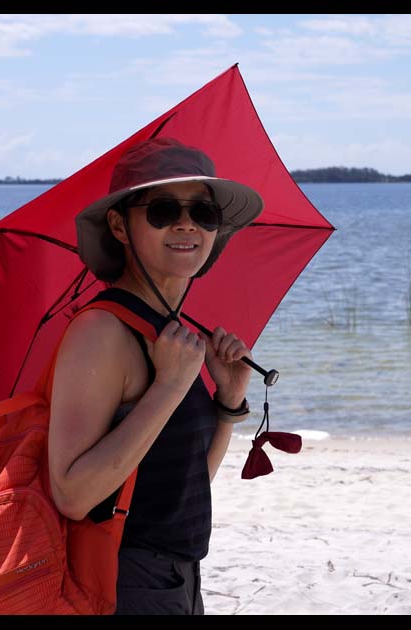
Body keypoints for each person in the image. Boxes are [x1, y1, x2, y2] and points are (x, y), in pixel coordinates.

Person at [49, 137, 265, 615]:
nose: (187, 224)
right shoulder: (102, 331)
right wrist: (169, 386)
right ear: (119, 226)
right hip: (125, 581)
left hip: (179, 580)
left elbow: (185, 489)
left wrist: (228, 404)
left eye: (203, 212)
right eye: (163, 209)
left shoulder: (171, 334)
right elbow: (72, 494)